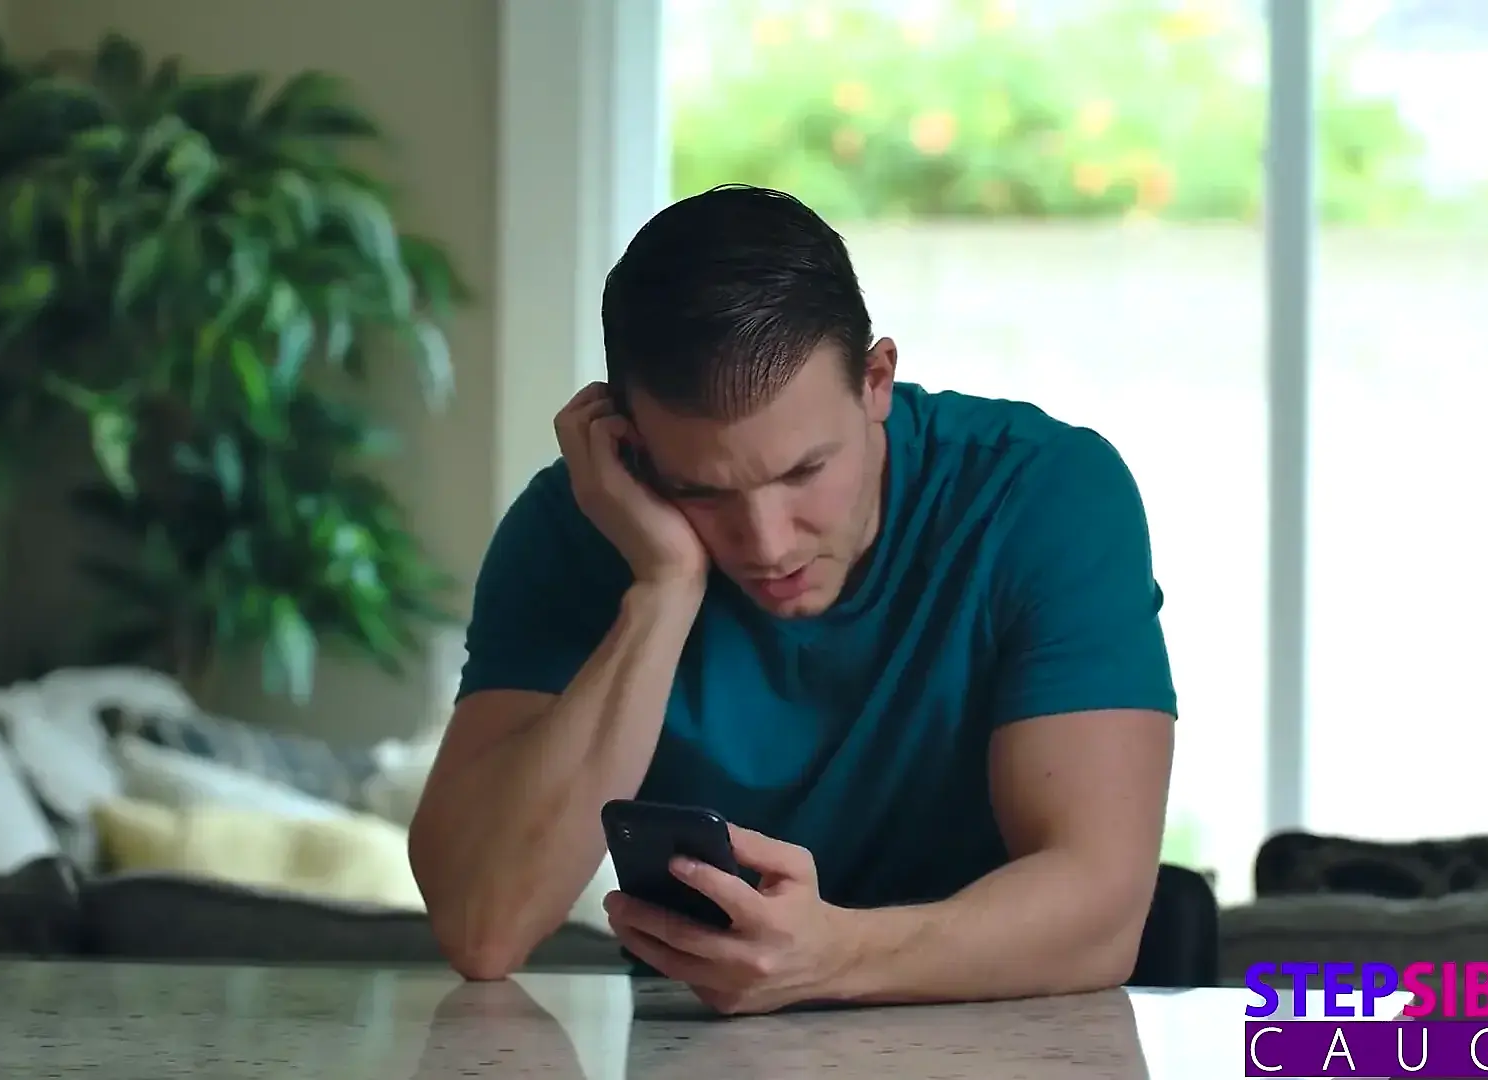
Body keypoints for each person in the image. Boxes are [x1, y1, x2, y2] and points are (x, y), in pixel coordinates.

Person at [408, 185, 1177, 1015]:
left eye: (804, 471)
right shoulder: (582, 525)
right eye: (701, 490)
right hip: (700, 1051)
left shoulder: (1045, 495)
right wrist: (662, 589)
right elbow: (482, 928)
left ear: (876, 381)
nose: (767, 544)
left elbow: (1102, 915)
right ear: (631, 445)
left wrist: (831, 957)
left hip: (1006, 1038)